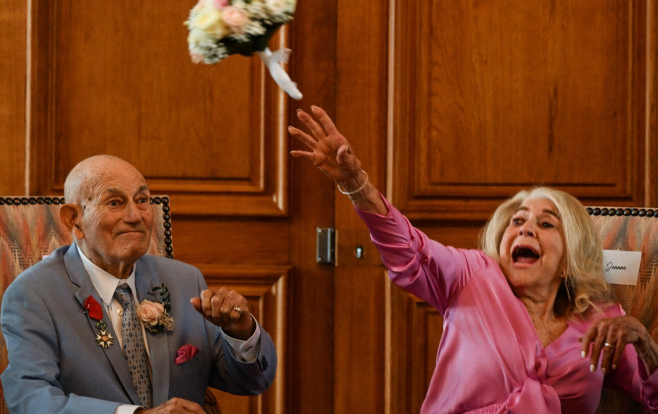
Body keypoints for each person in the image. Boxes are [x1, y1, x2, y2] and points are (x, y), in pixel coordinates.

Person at [288, 105, 658, 413]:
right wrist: (356, 183)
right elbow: (410, 251)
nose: (525, 229)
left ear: (569, 259)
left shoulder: (602, 322)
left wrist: (643, 342)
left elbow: (652, 397)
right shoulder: (472, 276)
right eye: (516, 221)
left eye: (546, 224)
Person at [0, 155, 277, 414]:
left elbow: (251, 383)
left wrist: (241, 332)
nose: (135, 216)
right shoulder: (33, 295)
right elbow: (29, 398)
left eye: (142, 200)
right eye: (114, 203)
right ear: (74, 219)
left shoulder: (184, 281)